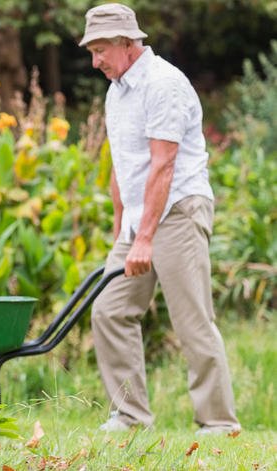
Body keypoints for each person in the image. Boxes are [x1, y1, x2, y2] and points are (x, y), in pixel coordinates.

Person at [79, 4, 240, 433]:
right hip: (139, 219)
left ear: (128, 43)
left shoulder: (164, 84)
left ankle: (218, 423)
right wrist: (122, 231)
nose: (95, 62)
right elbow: (122, 166)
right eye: (91, 51)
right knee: (110, 311)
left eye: (100, 50)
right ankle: (131, 417)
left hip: (179, 212)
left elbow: (163, 165)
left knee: (191, 320)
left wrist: (146, 237)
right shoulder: (117, 90)